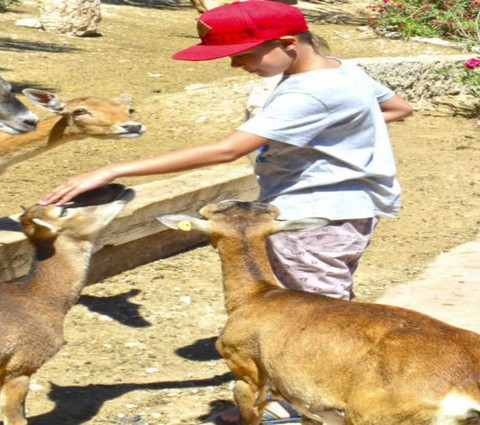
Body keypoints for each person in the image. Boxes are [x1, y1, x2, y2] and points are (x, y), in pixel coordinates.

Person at [40, 0, 413, 423]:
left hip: (312, 213)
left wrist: (112, 168)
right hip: (349, 209)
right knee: (328, 306)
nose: (236, 65)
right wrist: (334, 134)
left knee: (316, 317)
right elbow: (400, 108)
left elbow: (227, 150)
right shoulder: (342, 70)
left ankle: (308, 405)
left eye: (244, 54)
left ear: (287, 43)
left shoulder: (311, 92)